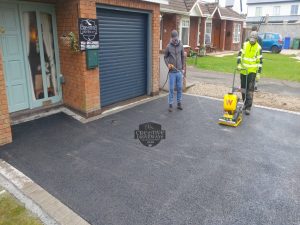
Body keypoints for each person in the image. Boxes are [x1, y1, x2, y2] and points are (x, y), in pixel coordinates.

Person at [237, 31, 263, 115]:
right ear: (249, 38)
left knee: (250, 90)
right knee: (243, 88)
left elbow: (260, 61)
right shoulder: (245, 44)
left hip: (252, 72)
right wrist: (238, 64)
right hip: (243, 70)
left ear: (256, 39)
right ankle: (244, 103)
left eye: (253, 39)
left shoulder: (258, 48)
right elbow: (240, 55)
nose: (252, 40)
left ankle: (248, 107)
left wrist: (258, 73)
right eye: (251, 39)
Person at [164, 30, 185, 112]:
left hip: (179, 71)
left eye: (176, 38)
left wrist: (183, 69)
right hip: (172, 72)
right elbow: (165, 57)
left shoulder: (181, 45)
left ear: (177, 37)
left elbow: (183, 57)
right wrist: (168, 64)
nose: (175, 40)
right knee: (171, 89)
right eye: (173, 39)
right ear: (171, 38)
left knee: (179, 88)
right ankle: (170, 104)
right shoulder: (168, 46)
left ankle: (179, 103)